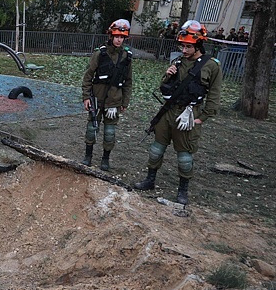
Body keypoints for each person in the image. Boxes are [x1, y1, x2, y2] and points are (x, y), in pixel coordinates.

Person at [133, 20, 222, 205]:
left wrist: (201, 119)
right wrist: (168, 74)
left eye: (188, 46)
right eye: (182, 45)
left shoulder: (212, 66)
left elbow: (214, 96)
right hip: (169, 111)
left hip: (190, 113)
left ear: (198, 44)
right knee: (156, 149)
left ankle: (183, 190)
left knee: (184, 156)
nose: (184, 50)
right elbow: (163, 87)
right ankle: (150, 180)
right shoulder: (178, 60)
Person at [81, 19, 133, 171]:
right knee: (92, 129)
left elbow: (128, 81)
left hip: (114, 101)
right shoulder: (100, 53)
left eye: (122, 37)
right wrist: (86, 97)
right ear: (111, 36)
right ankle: (88, 156)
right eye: (116, 36)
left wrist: (125, 102)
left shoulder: (127, 56)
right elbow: (88, 76)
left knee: (110, 133)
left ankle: (105, 159)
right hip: (97, 99)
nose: (119, 39)